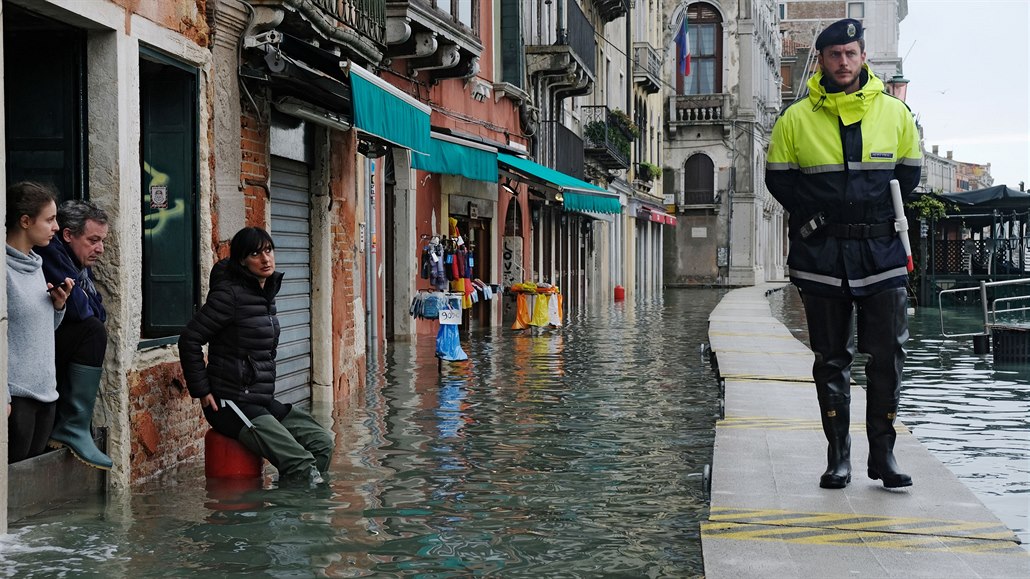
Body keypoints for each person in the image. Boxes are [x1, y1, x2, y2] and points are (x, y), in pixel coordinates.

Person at [765, 19, 922, 489]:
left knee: (888, 356)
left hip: (882, 253)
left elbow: (908, 176)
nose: (843, 62)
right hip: (823, 255)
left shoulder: (895, 114)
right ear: (822, 59)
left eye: (851, 53)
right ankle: (839, 458)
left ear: (863, 57)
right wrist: (818, 216)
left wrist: (870, 214)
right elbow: (779, 179)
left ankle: (884, 456)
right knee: (830, 358)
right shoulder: (794, 120)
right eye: (835, 55)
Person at [179, 227, 334, 486]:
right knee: (301, 464)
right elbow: (190, 339)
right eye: (255, 254)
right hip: (230, 403)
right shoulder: (229, 296)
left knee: (322, 444)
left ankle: (290, 510)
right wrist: (202, 389)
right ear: (241, 260)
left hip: (260, 399)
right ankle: (290, 512)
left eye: (268, 250)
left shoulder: (265, 295)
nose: (266, 259)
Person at [36, 199, 113, 470]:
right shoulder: (51, 254)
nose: (100, 249)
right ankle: (73, 426)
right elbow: (81, 312)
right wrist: (84, 305)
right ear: (68, 235)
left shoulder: (77, 261)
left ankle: (76, 425)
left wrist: (85, 304)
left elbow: (98, 310)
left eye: (102, 240)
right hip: (36, 356)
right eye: (93, 240)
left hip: (53, 354)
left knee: (94, 327)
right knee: (92, 331)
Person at [5, 181, 73, 462]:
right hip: (15, 397)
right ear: (24, 221)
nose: (56, 227)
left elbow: (39, 330)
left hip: (46, 394)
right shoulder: (3, 270)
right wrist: (5, 397)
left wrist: (58, 307)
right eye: (50, 219)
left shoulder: (36, 264)